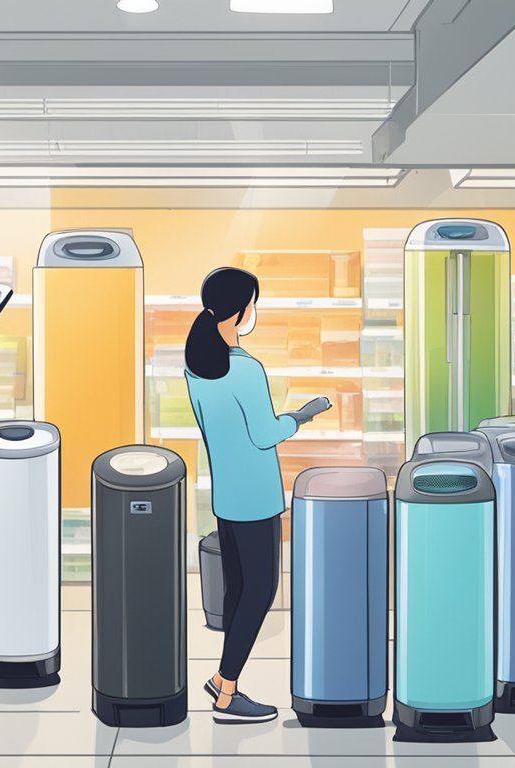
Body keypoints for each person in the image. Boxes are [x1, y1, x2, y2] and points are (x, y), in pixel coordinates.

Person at [184, 266, 327, 724]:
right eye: (253, 304)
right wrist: (302, 416)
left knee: (238, 590)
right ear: (241, 310)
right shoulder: (244, 368)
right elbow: (265, 434)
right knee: (261, 590)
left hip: (226, 495)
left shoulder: (195, 365)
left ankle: (223, 680)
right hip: (258, 498)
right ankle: (227, 693)